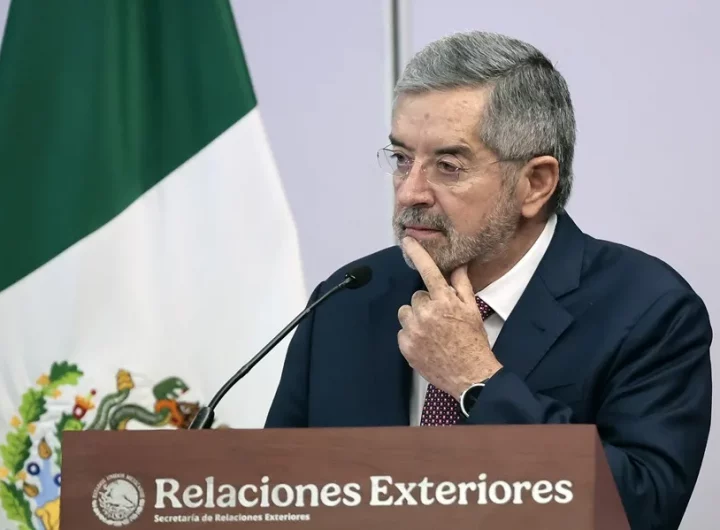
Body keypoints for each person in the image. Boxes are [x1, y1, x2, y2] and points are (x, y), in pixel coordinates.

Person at [264, 31, 712, 530]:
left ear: (535, 184)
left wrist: (477, 381)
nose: (410, 192)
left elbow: (641, 511)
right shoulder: (348, 297)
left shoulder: (648, 311)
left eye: (448, 166)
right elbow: (279, 493)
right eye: (402, 159)